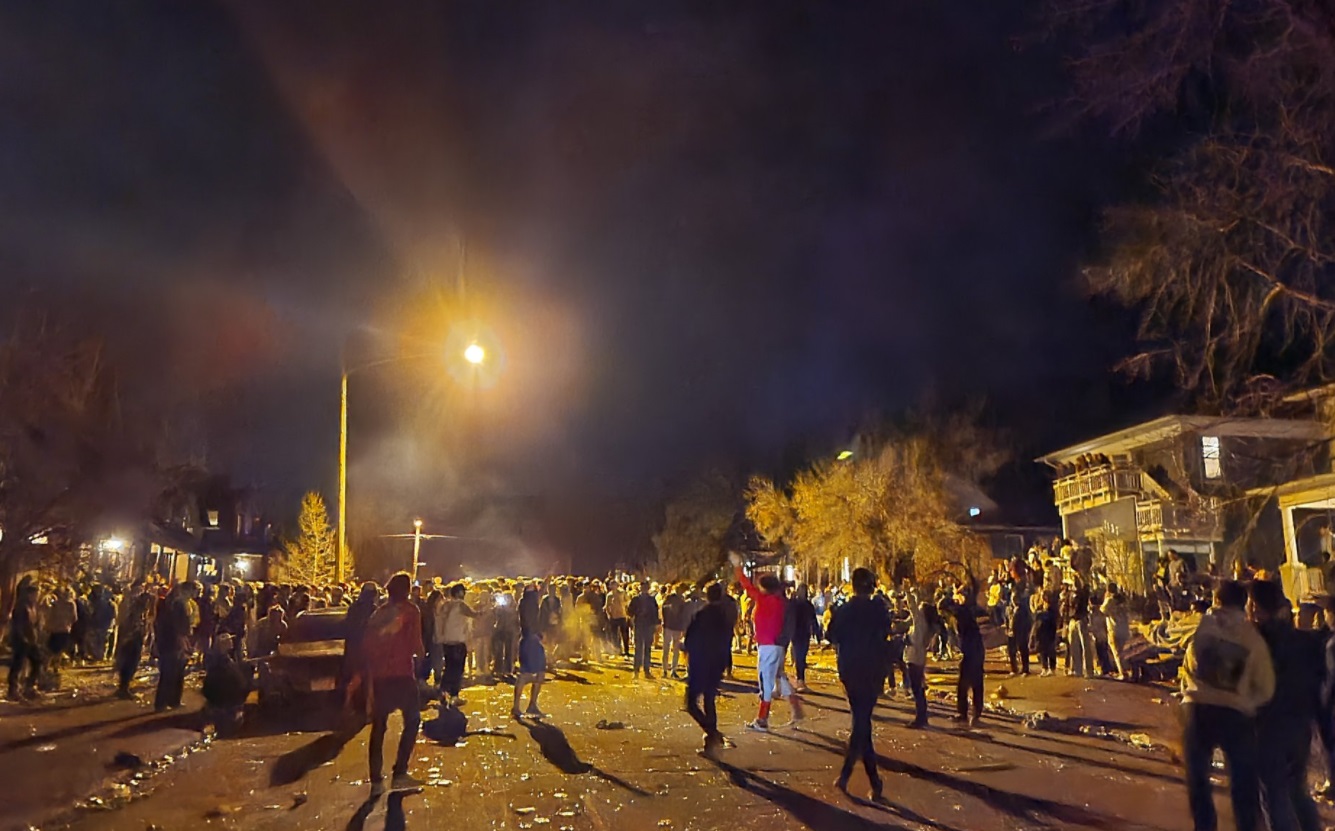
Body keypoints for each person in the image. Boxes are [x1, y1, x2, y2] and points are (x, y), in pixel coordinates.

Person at [1181, 580, 1275, 831]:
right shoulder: (1252, 638)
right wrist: (1247, 701)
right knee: (1243, 782)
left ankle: (1205, 827)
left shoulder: (1198, 627)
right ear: (1243, 604)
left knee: (1198, 779)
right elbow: (1266, 687)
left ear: (1215, 600)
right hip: (1236, 714)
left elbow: (1187, 665)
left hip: (1197, 709)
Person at [1248, 580, 1322, 831]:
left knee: (1273, 795)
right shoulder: (1304, 641)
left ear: (1256, 607)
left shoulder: (1255, 643)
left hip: (1268, 728)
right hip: (1300, 726)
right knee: (1297, 790)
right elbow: (1317, 682)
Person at [825, 567, 890, 800]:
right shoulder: (879, 609)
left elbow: (831, 636)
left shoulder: (843, 610)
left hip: (851, 670)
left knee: (860, 722)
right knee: (862, 722)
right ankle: (865, 779)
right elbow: (886, 633)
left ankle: (855, 776)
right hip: (873, 671)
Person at [363, 572, 425, 797]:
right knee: (412, 720)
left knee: (379, 726)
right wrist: (420, 658)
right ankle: (399, 772)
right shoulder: (410, 611)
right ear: (407, 590)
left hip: (380, 677)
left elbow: (367, 646)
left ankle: (376, 778)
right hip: (402, 675)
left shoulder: (378, 614)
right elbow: (417, 645)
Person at [732, 554, 802, 731]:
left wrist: (738, 567)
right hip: (776, 645)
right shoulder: (780, 600)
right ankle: (796, 709)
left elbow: (747, 586)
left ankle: (762, 719)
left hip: (767, 646)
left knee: (767, 681)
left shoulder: (763, 599)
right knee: (779, 677)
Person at [684, 582, 732, 755]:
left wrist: (688, 651)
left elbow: (690, 640)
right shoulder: (724, 617)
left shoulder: (701, 615)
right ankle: (711, 739)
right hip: (716, 663)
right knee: (709, 700)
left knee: (690, 703)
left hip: (700, 663)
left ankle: (711, 734)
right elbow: (727, 641)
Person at [941, 578, 984, 727]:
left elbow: (945, 605)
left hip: (971, 650)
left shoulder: (963, 610)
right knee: (976, 681)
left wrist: (950, 595)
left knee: (965, 683)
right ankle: (976, 712)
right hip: (975, 649)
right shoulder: (969, 608)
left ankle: (965, 713)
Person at [154, 583, 196, 712]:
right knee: (170, 672)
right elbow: (182, 624)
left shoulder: (182, 604)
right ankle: (163, 702)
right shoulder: (179, 605)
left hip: (174, 641)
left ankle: (173, 700)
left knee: (176, 672)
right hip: (173, 642)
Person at [435, 583, 477, 707]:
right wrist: (486, 610)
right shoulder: (460, 605)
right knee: (458, 670)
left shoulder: (445, 605)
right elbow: (474, 614)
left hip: (446, 641)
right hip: (457, 641)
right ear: (459, 593)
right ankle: (454, 695)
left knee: (449, 668)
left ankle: (442, 691)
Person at [115, 587, 155, 700]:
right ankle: (123, 688)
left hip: (134, 639)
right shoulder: (136, 612)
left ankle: (124, 687)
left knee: (130, 664)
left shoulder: (140, 612)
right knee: (129, 664)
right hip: (131, 641)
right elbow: (132, 626)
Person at [7, 579, 41, 701]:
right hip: (22, 640)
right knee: (18, 664)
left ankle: (29, 687)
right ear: (29, 594)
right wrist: (22, 637)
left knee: (37, 661)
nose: (37, 596)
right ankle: (13, 690)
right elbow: (19, 624)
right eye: (35, 594)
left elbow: (34, 623)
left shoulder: (32, 606)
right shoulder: (22, 606)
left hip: (31, 639)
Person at [904, 598, 932, 728]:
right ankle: (922, 716)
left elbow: (913, 609)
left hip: (914, 658)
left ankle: (920, 718)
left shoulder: (920, 623)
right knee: (918, 689)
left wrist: (909, 592)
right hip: (919, 658)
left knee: (917, 690)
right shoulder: (925, 626)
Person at [787, 584, 818, 692]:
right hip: (800, 632)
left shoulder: (795, 604)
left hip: (799, 632)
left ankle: (799, 679)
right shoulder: (803, 604)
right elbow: (813, 619)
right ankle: (800, 679)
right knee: (800, 655)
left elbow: (813, 619)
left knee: (800, 655)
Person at [512, 627, 547, 719]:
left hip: (532, 637)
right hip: (529, 638)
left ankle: (531, 705)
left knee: (540, 672)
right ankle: (516, 707)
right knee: (525, 674)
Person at [628, 581, 660, 679]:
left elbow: (655, 613)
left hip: (648, 626)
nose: (644, 589)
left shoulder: (652, 600)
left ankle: (646, 670)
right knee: (638, 649)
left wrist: (656, 624)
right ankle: (636, 670)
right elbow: (630, 612)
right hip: (639, 625)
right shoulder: (635, 599)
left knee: (647, 649)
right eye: (643, 587)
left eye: (646, 587)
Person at [1006, 578, 1032, 677]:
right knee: (1011, 649)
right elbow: (1007, 618)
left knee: (1022, 648)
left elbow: (1027, 620)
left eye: (1016, 597)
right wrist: (1008, 627)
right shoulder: (1010, 608)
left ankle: (1025, 669)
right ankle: (1014, 668)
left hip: (1021, 630)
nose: (1014, 599)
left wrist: (1026, 630)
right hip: (1011, 631)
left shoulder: (1022, 609)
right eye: (1013, 597)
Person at [661, 583, 687, 678]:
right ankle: (665, 669)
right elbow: (664, 609)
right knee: (666, 648)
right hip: (669, 625)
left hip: (677, 626)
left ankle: (673, 670)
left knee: (675, 649)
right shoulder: (670, 597)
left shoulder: (682, 599)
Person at [605, 582, 630, 657]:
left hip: (622, 616)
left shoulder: (622, 593)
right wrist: (609, 615)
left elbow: (628, 601)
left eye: (614, 585)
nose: (613, 587)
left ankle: (626, 650)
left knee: (625, 634)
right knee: (614, 635)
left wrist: (624, 607)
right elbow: (607, 606)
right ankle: (617, 650)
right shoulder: (609, 595)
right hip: (614, 617)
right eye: (612, 585)